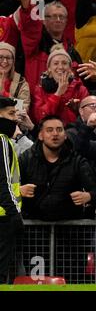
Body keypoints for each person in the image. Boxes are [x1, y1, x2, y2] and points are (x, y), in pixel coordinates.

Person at [19, 115, 96, 221]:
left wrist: (89, 196)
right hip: (33, 229)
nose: (55, 134)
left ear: (65, 135)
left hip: (68, 230)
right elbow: (6, 188)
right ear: (40, 135)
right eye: (49, 130)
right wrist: (18, 190)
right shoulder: (26, 158)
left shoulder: (77, 160)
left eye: (59, 130)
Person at [32, 44, 89, 126]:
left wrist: (75, 109)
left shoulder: (80, 89)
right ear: (49, 68)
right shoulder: (40, 89)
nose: (60, 67)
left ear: (70, 68)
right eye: (55, 63)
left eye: (64, 63)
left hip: (74, 134)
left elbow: (87, 118)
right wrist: (58, 94)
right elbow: (40, 117)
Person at [0, 96, 23, 284]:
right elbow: (4, 182)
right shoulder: (1, 140)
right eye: (10, 114)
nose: (15, 118)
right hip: (2, 215)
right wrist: (14, 213)